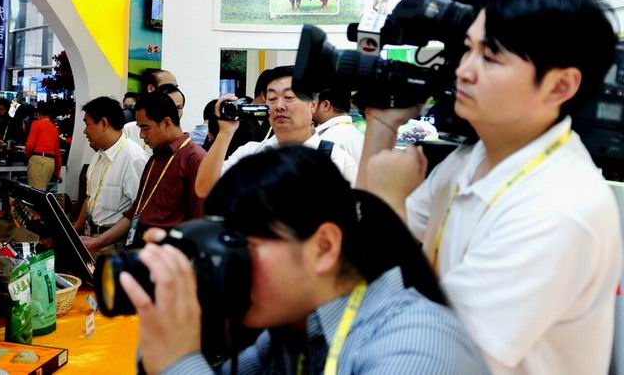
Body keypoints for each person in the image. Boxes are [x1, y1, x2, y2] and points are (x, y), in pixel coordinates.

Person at [358, 0, 622, 374]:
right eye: (469, 49)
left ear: (561, 85)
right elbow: (362, 254)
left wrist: (389, 203)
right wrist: (381, 124)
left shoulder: (560, 209)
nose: (463, 71)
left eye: (491, 58)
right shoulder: (474, 155)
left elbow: (441, 356)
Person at [121, 146, 489, 375]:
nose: (231, 264)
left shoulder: (415, 344)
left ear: (324, 247)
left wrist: (179, 362)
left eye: (244, 246)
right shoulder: (294, 332)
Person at [195, 66, 357, 198]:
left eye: (289, 97)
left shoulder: (336, 159)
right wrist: (225, 133)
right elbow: (205, 189)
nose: (279, 106)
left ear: (313, 105)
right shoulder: (251, 153)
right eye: (272, 99)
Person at [84, 92, 206, 252]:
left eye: (145, 128)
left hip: (168, 256)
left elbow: (200, 222)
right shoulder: (156, 158)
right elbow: (135, 212)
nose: (141, 135)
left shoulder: (194, 158)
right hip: (142, 250)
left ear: (166, 123)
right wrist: (97, 243)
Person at [75, 97, 148, 252]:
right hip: (92, 239)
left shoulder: (133, 158)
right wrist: (74, 230)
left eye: (87, 124)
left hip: (116, 246)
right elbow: (90, 198)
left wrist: (99, 242)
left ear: (103, 123)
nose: (85, 131)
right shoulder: (98, 156)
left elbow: (138, 212)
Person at [124, 69, 178, 149]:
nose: (175, 93)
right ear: (151, 88)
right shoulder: (129, 130)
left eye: (176, 88)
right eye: (169, 88)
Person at [313, 88, 364, 166]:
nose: (311, 107)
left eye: (314, 103)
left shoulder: (326, 141)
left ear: (326, 105)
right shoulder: (360, 135)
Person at [24, 101, 62, 190]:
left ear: (38, 113)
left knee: (36, 193)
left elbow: (29, 145)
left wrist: (26, 155)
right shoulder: (54, 128)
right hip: (50, 162)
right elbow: (57, 153)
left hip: (38, 161)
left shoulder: (36, 124)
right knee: (42, 190)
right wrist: (57, 171)